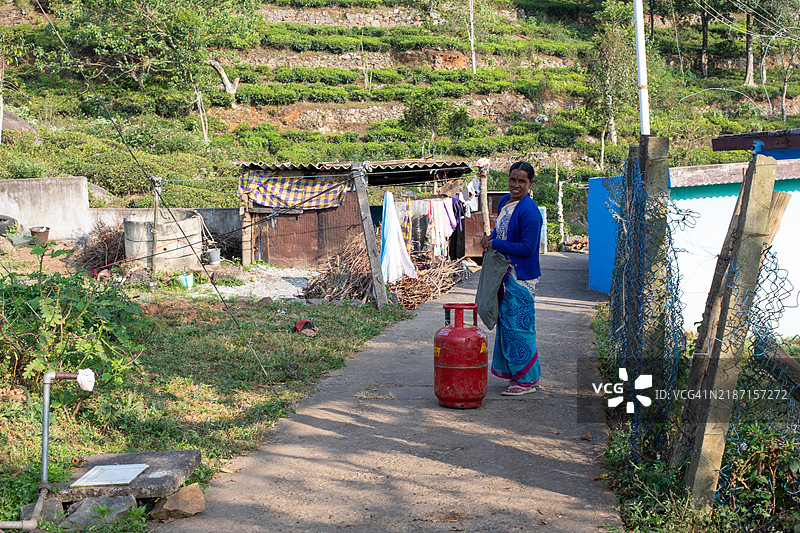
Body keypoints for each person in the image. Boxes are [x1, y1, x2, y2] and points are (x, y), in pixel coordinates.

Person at [479, 161, 543, 396]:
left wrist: (496, 243)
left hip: (521, 277)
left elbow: (527, 248)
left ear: (530, 183)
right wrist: (490, 237)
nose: (515, 185)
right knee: (506, 325)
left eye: (521, 181)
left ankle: (527, 381)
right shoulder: (506, 201)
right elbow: (500, 230)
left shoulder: (529, 212)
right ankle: (517, 374)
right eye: (512, 180)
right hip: (505, 273)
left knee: (520, 327)